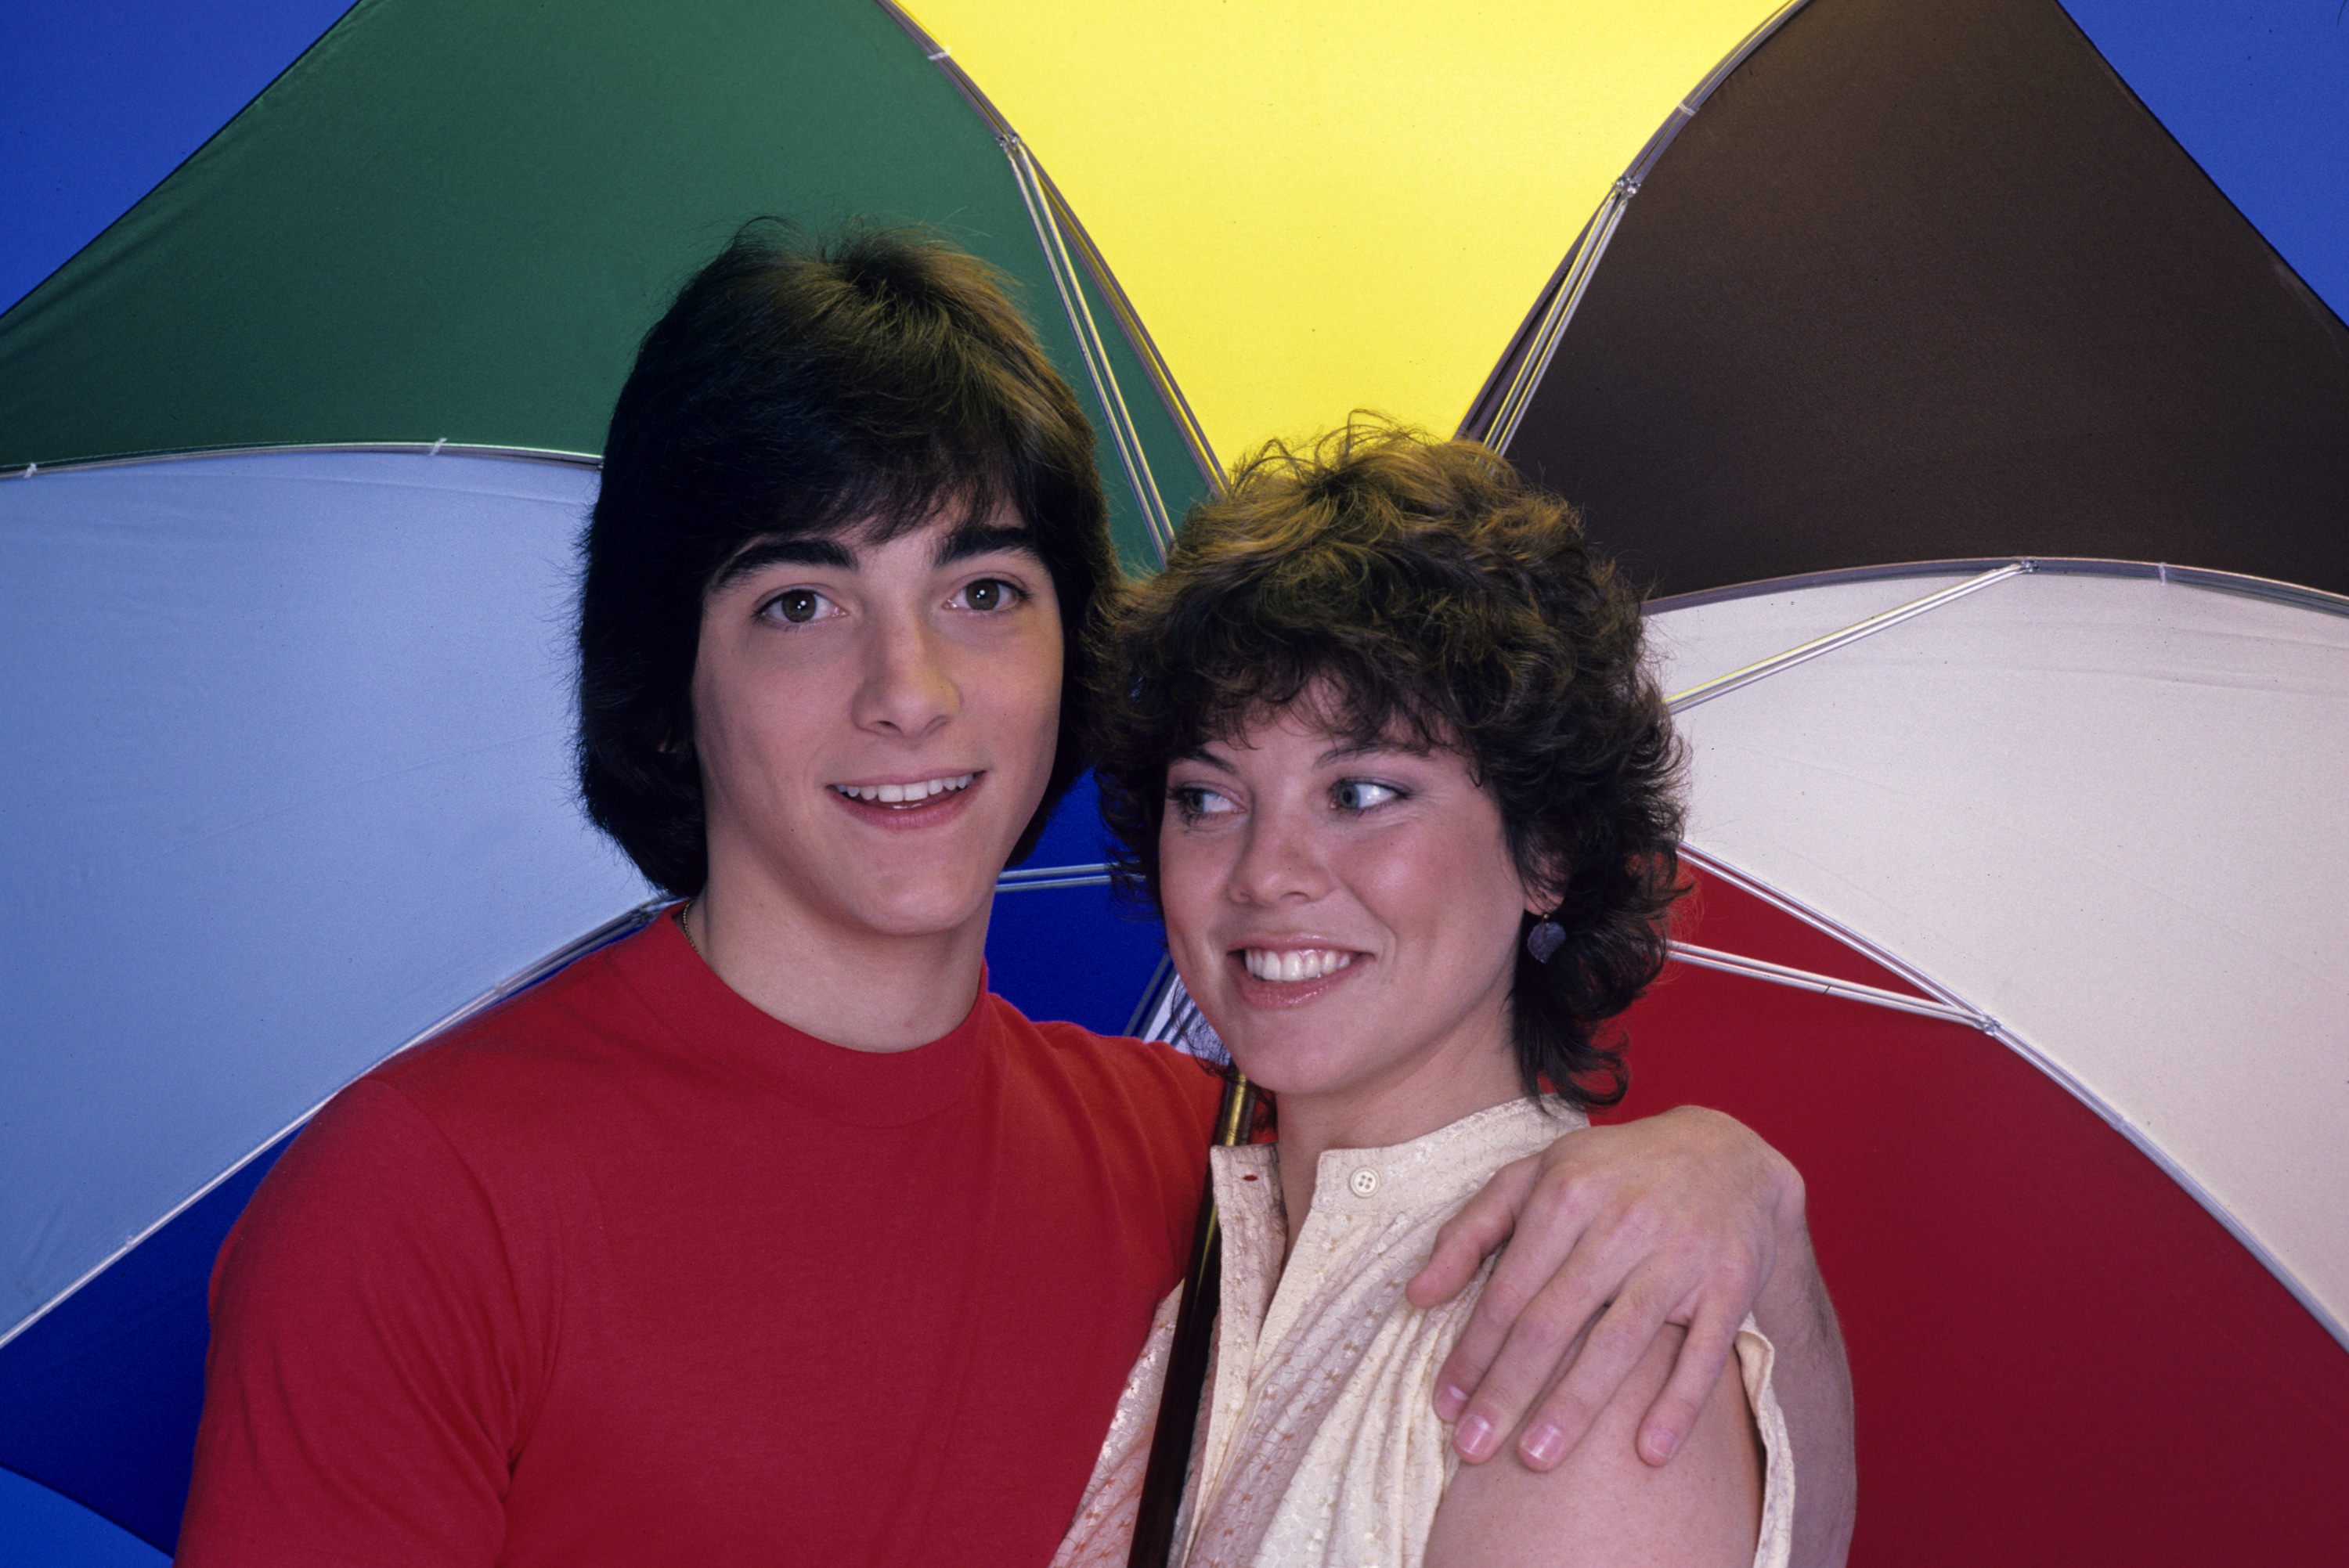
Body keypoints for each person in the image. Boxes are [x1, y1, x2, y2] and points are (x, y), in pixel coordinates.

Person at [177, 227, 1849, 1566]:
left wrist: (1752, 1218)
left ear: (1072, 652)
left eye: (983, 589)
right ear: (666, 672)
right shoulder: (422, 1203)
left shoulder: (1195, 1153)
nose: (910, 691)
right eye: (799, 602)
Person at [1055, 423, 1831, 1566]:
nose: (1265, 871)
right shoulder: (1201, 1272)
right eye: (1208, 798)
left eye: (1362, 791)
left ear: (1548, 849)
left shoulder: (1583, 1353)